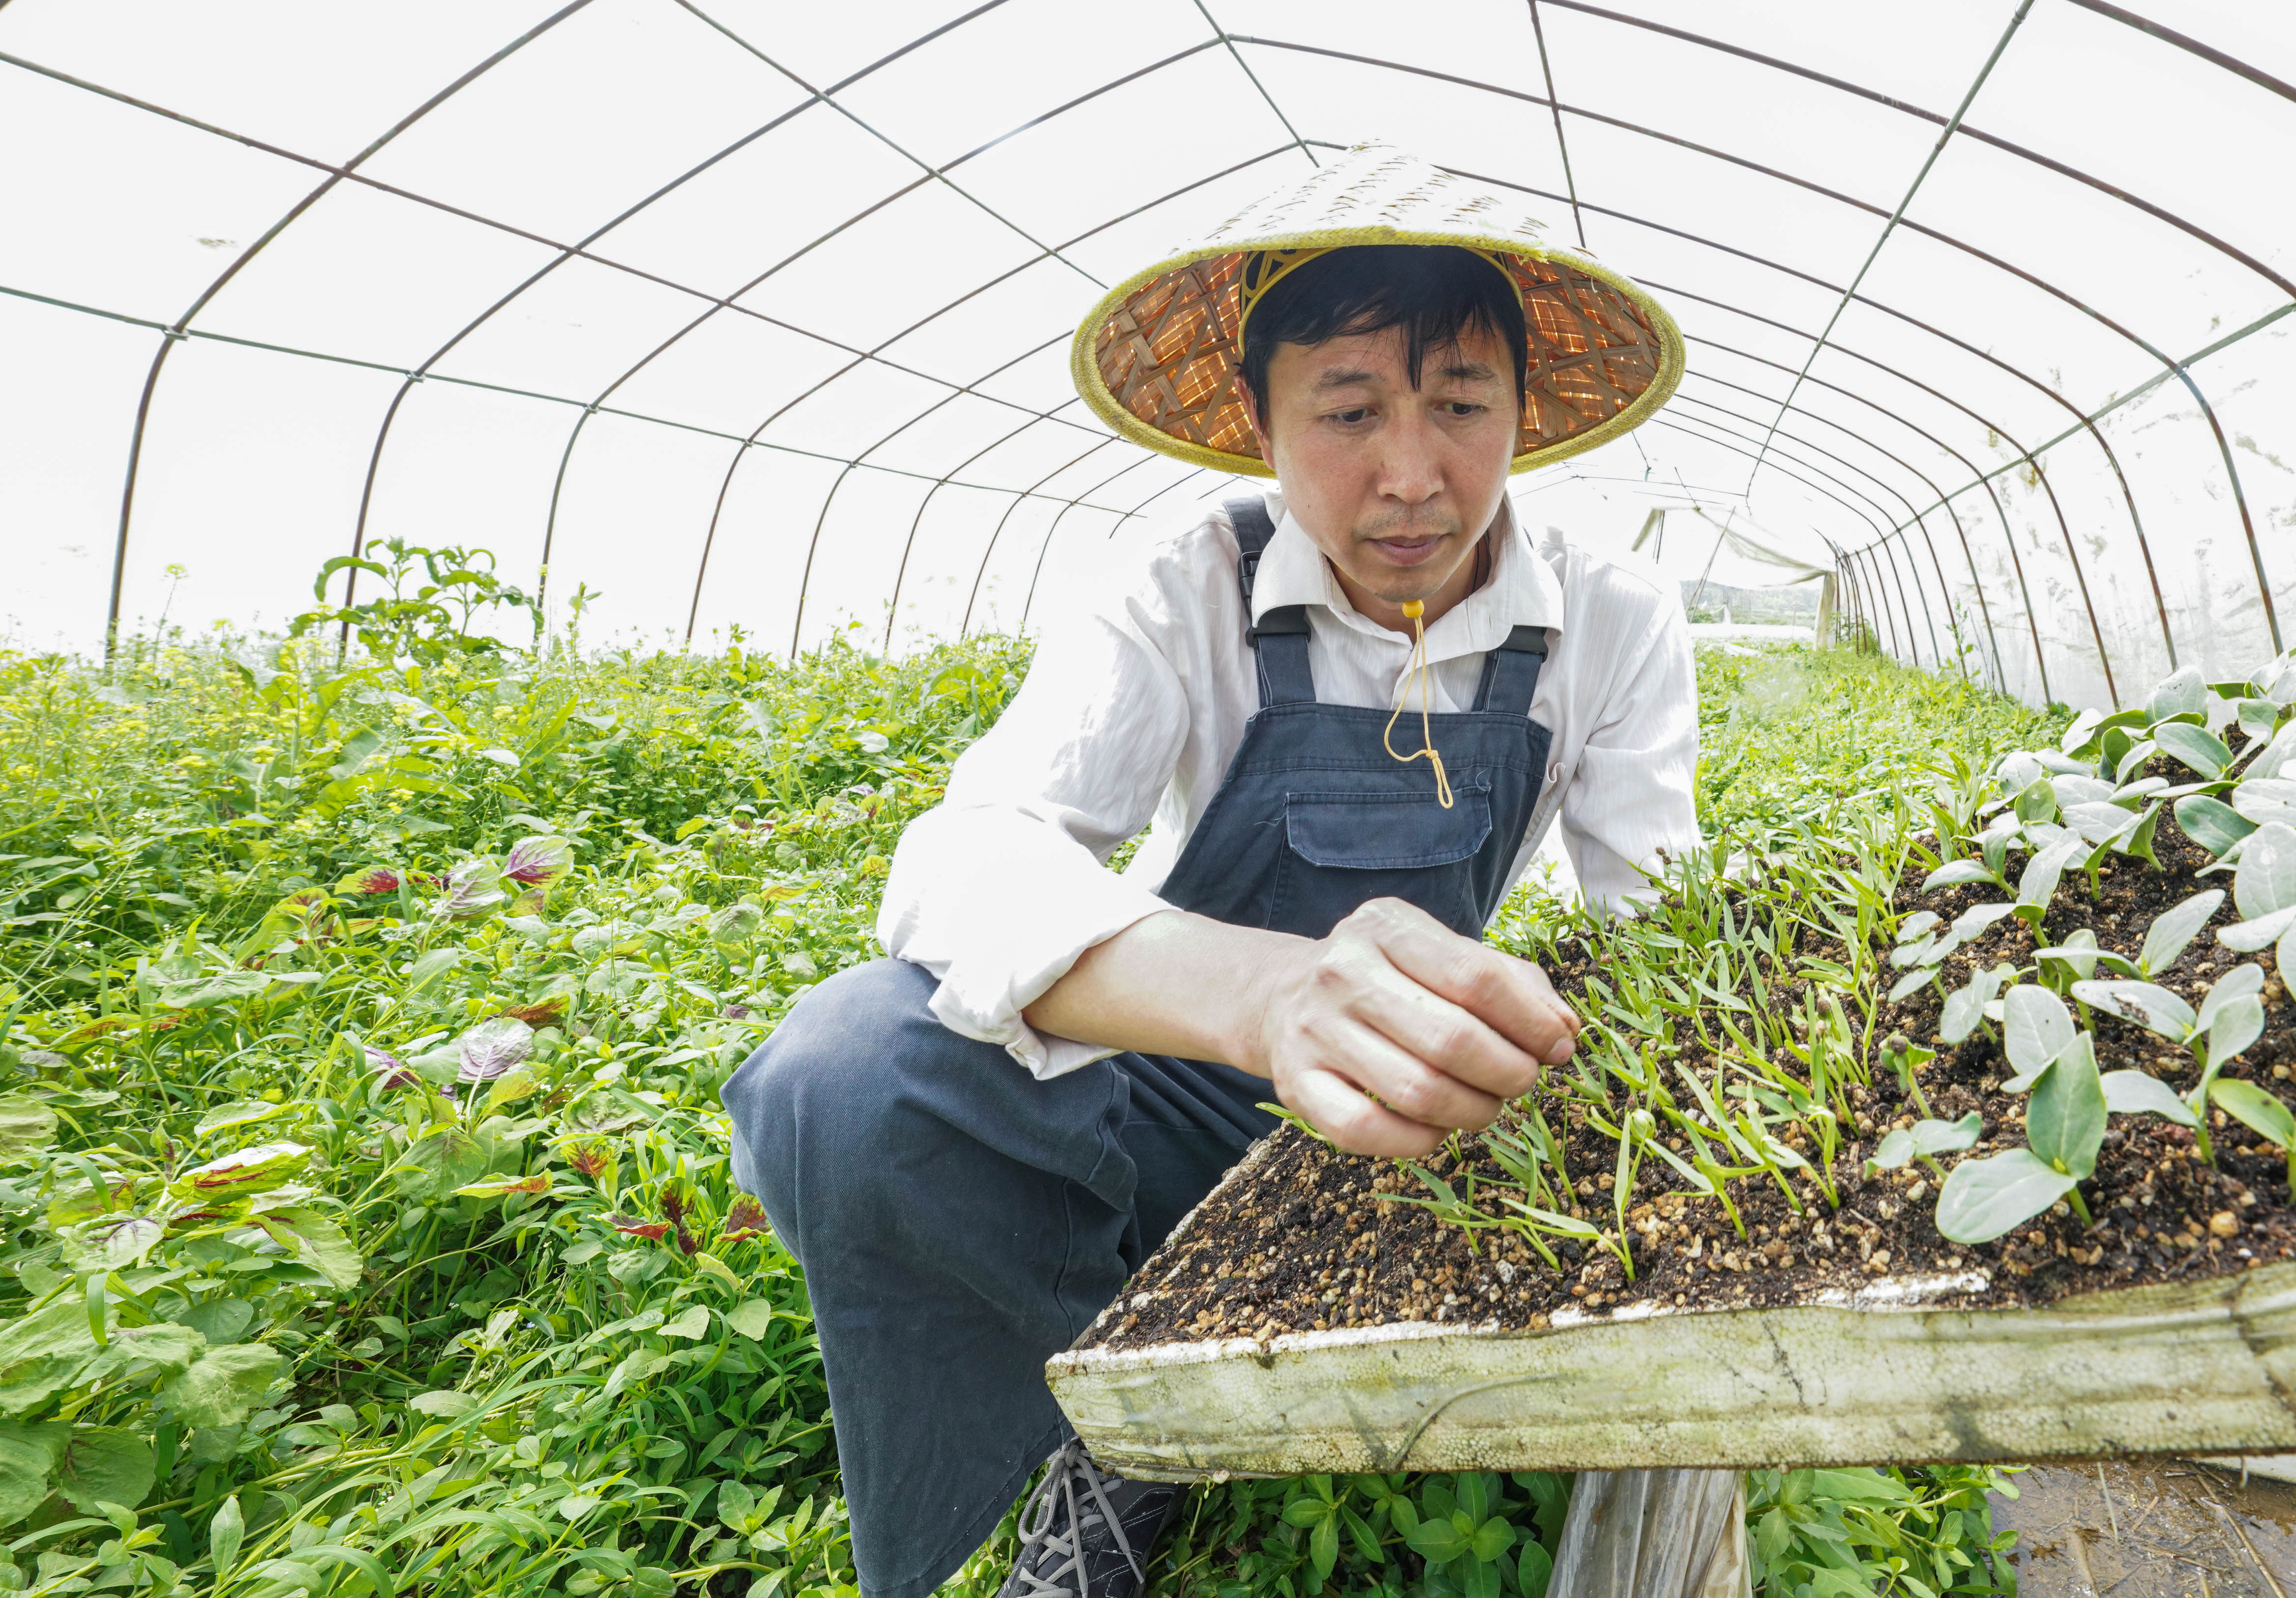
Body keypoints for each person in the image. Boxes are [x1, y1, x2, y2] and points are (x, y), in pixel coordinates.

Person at [725, 143, 1702, 1598]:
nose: (1412, 475)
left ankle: (1275, 1380)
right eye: (1350, 411)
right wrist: (1267, 996)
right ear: (1257, 419)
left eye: (1461, 407)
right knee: (847, 1076)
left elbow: (1661, 932)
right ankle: (1121, 1423)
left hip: (1429, 1098)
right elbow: (964, 855)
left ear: (1526, 409)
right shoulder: (1186, 585)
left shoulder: (1611, 617)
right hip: (1187, 1085)